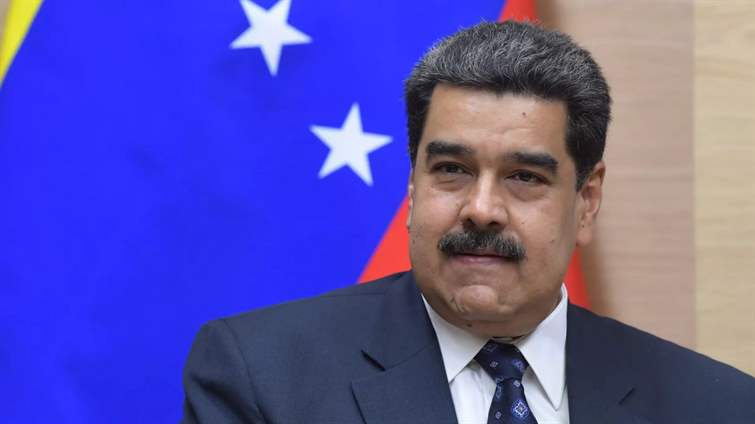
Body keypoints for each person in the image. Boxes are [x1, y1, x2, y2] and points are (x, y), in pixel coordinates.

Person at [181, 21, 754, 423]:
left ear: (587, 200)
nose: (481, 209)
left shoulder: (717, 406)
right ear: (413, 186)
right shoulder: (260, 378)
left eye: (524, 177)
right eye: (452, 170)